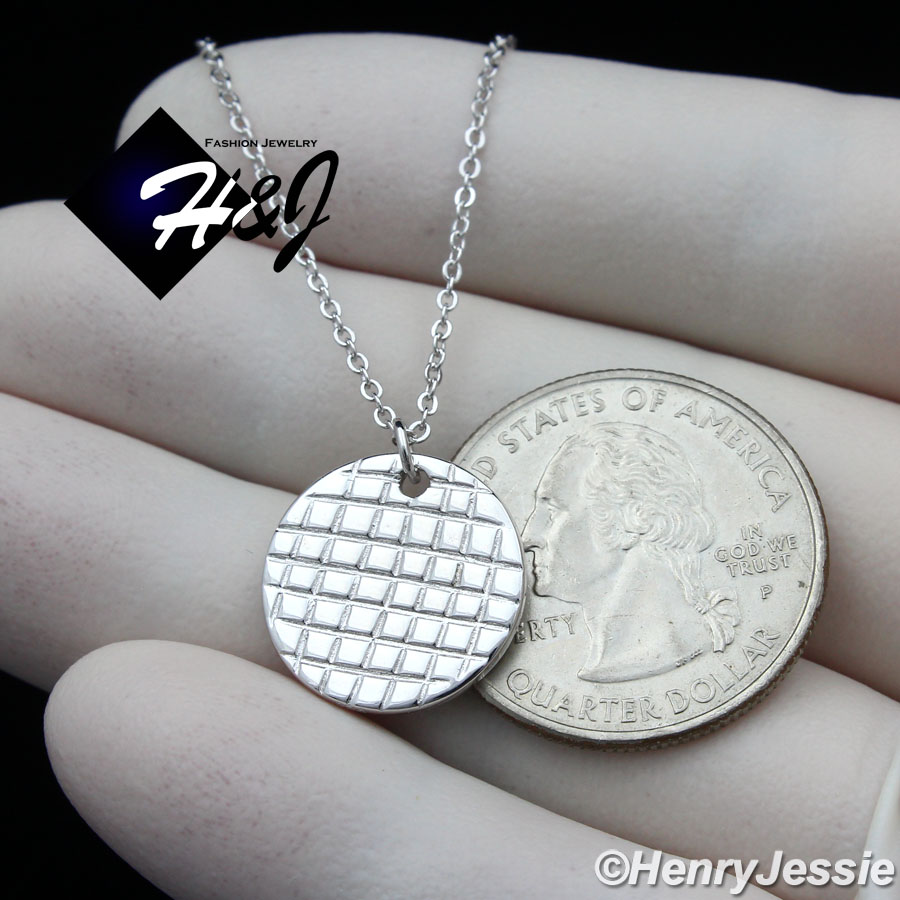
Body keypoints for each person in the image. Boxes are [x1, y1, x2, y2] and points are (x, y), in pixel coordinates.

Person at [2, 32, 898, 899]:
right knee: (118, 207)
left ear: (635, 518)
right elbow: (145, 200)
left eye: (555, 506)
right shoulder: (174, 176)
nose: (526, 527)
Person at [523, 422, 740, 683]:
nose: (527, 538)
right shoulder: (613, 661)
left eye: (552, 512)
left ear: (634, 518)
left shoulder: (665, 651)